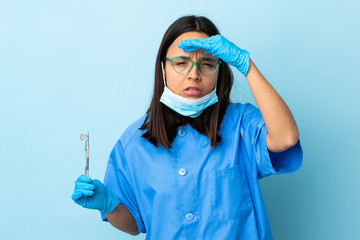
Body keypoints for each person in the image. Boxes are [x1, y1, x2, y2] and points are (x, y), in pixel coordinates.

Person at [71, 15, 303, 239]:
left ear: (219, 71)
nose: (194, 74)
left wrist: (247, 66)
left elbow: (286, 138)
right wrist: (109, 205)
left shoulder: (241, 124)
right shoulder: (134, 143)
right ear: (163, 69)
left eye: (207, 64)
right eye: (181, 63)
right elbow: (134, 226)